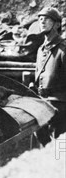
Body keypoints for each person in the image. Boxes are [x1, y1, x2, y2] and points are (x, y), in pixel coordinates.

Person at [33, 7, 66, 139]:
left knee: (59, 144)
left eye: (47, 19)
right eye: (40, 18)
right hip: (43, 102)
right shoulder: (41, 49)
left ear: (57, 24)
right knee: (40, 136)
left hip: (60, 104)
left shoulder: (63, 49)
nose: (42, 21)